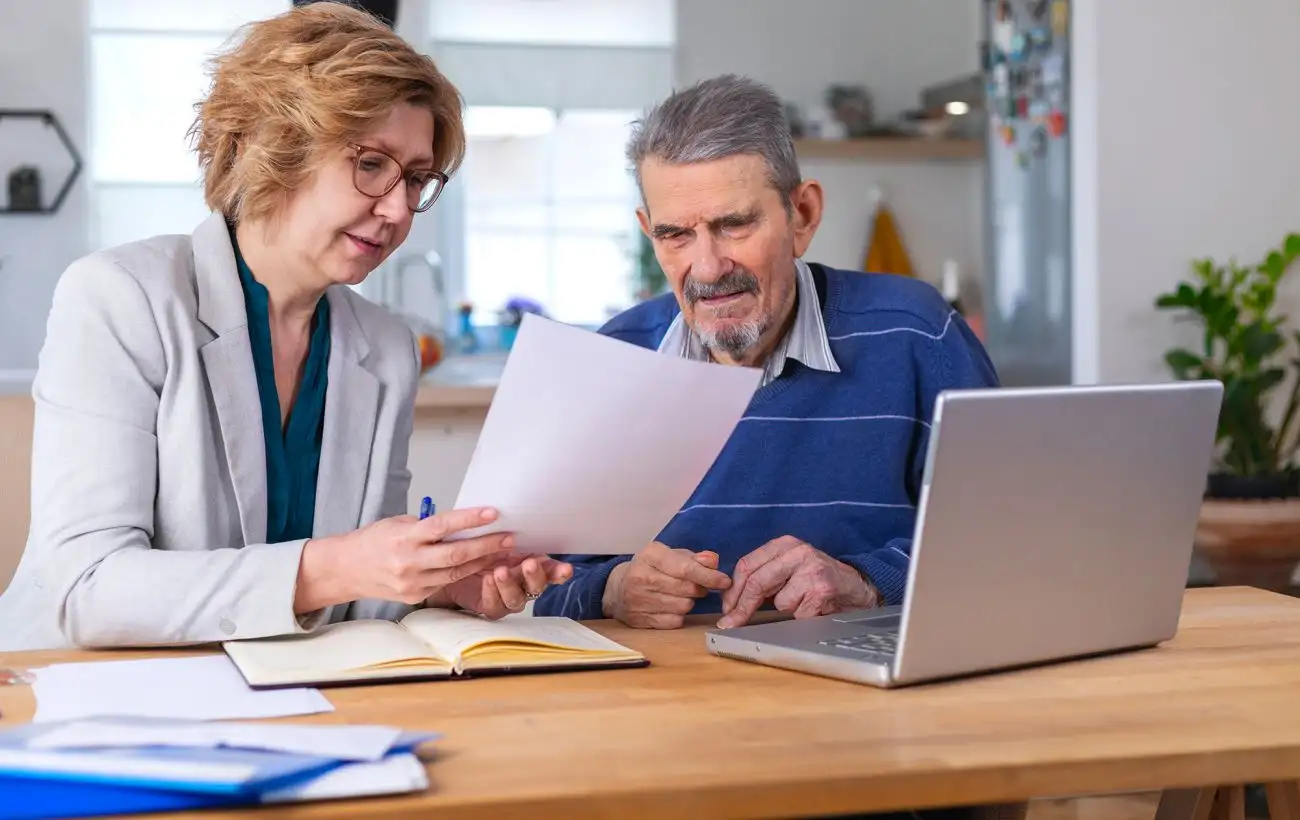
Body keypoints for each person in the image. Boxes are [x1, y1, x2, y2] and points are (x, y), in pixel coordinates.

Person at [0, 2, 570, 651]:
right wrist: (339, 564)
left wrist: (439, 584)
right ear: (275, 146)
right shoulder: (121, 299)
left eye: (415, 179)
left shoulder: (384, 349)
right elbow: (91, 589)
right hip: (80, 694)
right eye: (372, 164)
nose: (397, 209)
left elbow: (354, 597)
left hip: (291, 694)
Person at [533, 74, 999, 629]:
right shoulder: (614, 358)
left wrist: (870, 581)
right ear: (647, 231)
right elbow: (548, 592)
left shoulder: (919, 334)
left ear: (801, 216)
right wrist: (612, 591)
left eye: (733, 225)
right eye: (675, 235)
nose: (706, 268)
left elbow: (1009, 540)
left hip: (865, 693)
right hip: (664, 701)